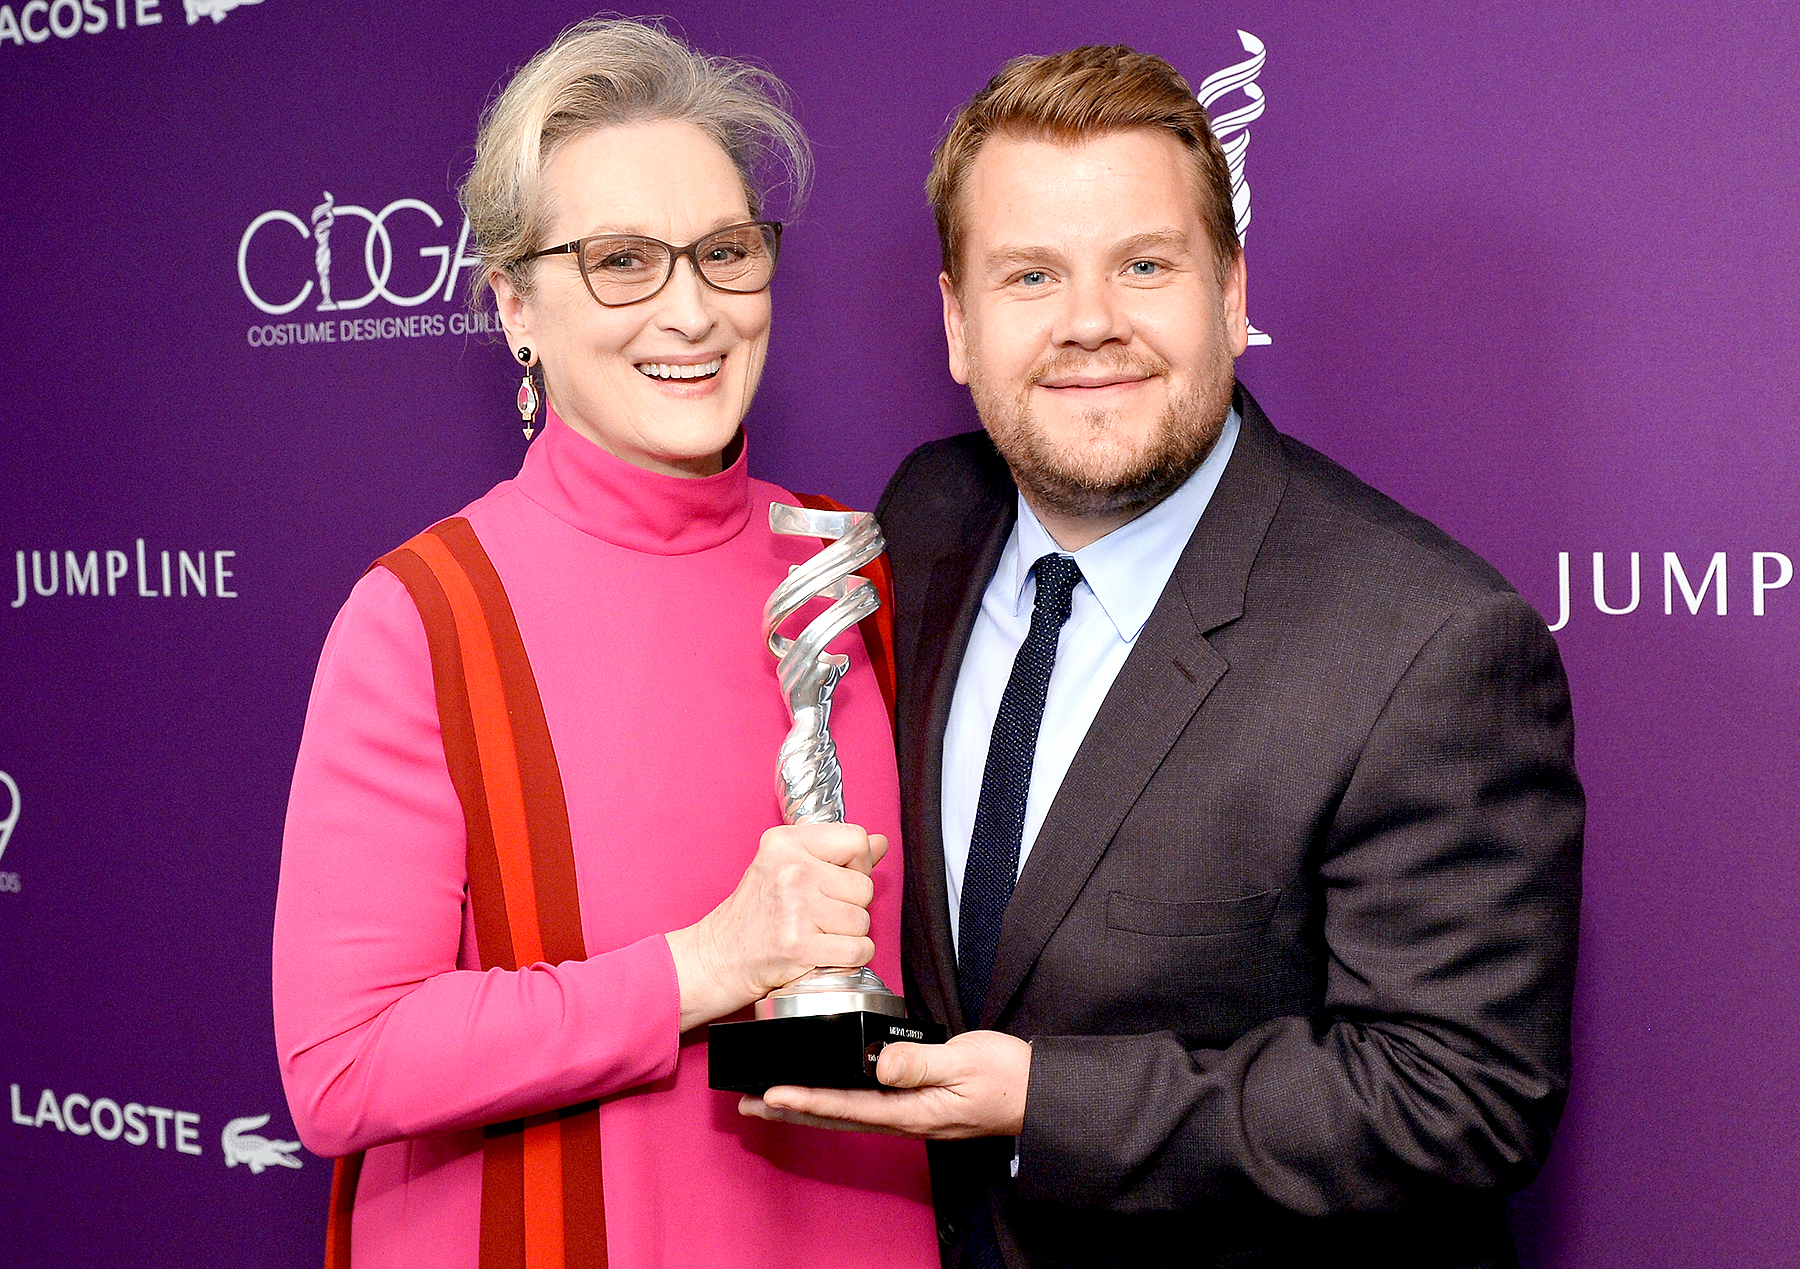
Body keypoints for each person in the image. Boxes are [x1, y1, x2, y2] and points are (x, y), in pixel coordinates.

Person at [742, 45, 1584, 1269]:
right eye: (1030, 275)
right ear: (958, 324)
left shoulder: (1430, 642)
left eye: (1145, 265)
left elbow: (1458, 1098)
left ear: (1233, 295)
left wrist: (1046, 1104)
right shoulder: (922, 522)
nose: (1091, 323)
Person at [272, 18, 937, 1269]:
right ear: (515, 305)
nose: (690, 310)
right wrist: (706, 963)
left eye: (725, 253)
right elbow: (342, 1061)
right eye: (622, 261)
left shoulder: (852, 572)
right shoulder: (428, 614)